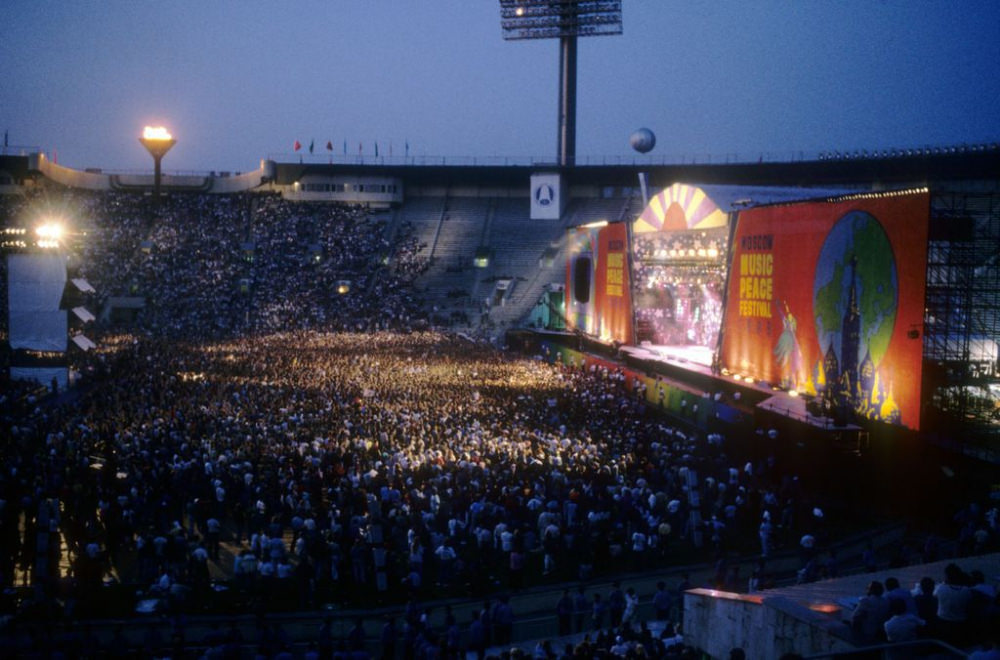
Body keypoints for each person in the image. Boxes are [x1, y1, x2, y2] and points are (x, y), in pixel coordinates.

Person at [851, 580, 889, 645]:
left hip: (867, 632)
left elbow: (856, 617)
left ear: (871, 590)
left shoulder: (866, 601)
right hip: (880, 631)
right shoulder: (885, 601)